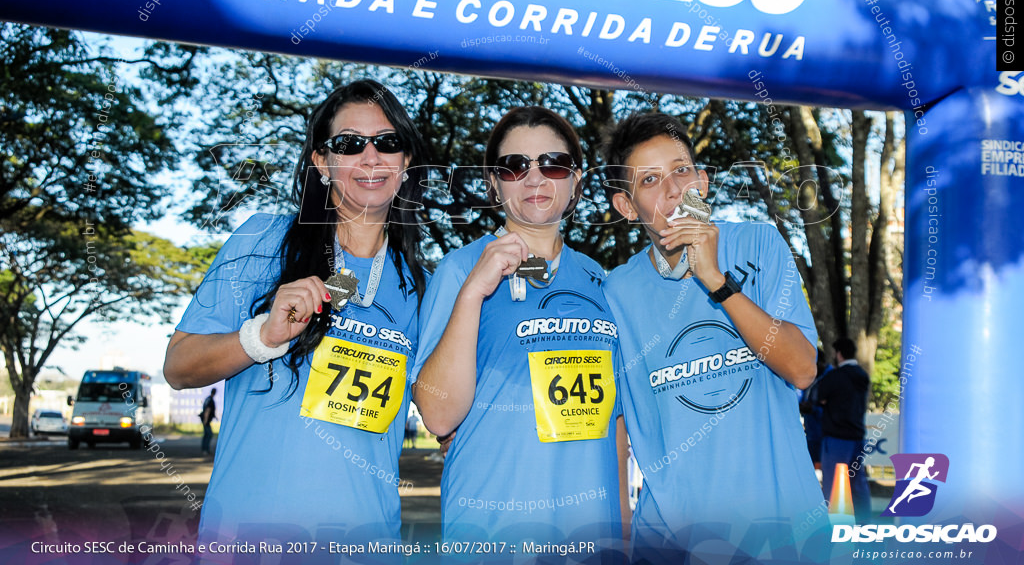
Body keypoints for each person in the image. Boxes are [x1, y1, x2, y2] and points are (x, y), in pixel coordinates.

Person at [163, 80, 428, 554]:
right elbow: (179, 368)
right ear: (321, 163)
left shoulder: (422, 286)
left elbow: (442, 408)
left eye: (387, 143)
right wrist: (260, 337)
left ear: (405, 162)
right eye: (349, 144)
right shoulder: (263, 239)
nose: (371, 158)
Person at [601, 112, 826, 562]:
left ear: (702, 182)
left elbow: (803, 369)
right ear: (627, 207)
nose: (672, 189)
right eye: (649, 180)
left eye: (681, 171)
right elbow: (618, 423)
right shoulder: (615, 291)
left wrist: (716, 280)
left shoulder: (760, 244)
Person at [413, 106, 627, 555]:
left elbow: (616, 420)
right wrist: (473, 293)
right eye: (514, 167)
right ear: (494, 183)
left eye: (553, 164)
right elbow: (437, 415)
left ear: (577, 181)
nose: (534, 179)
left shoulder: (599, 279)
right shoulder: (458, 271)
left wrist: (622, 534)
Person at [818, 337, 872, 522]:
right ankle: (866, 525)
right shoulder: (862, 375)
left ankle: (834, 529)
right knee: (858, 483)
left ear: (838, 354)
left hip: (836, 439)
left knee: (833, 487)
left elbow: (820, 397)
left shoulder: (835, 377)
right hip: (857, 436)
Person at [799, 349, 831, 467]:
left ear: (821, 362)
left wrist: (813, 409)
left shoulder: (831, 377)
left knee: (825, 468)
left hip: (825, 433)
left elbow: (833, 408)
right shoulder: (810, 375)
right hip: (811, 430)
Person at [200, 387, 217, 456]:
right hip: (206, 420)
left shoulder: (208, 398)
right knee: (209, 434)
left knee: (206, 434)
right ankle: (205, 449)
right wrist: (206, 420)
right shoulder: (210, 400)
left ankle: (205, 449)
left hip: (205, 419)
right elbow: (208, 410)